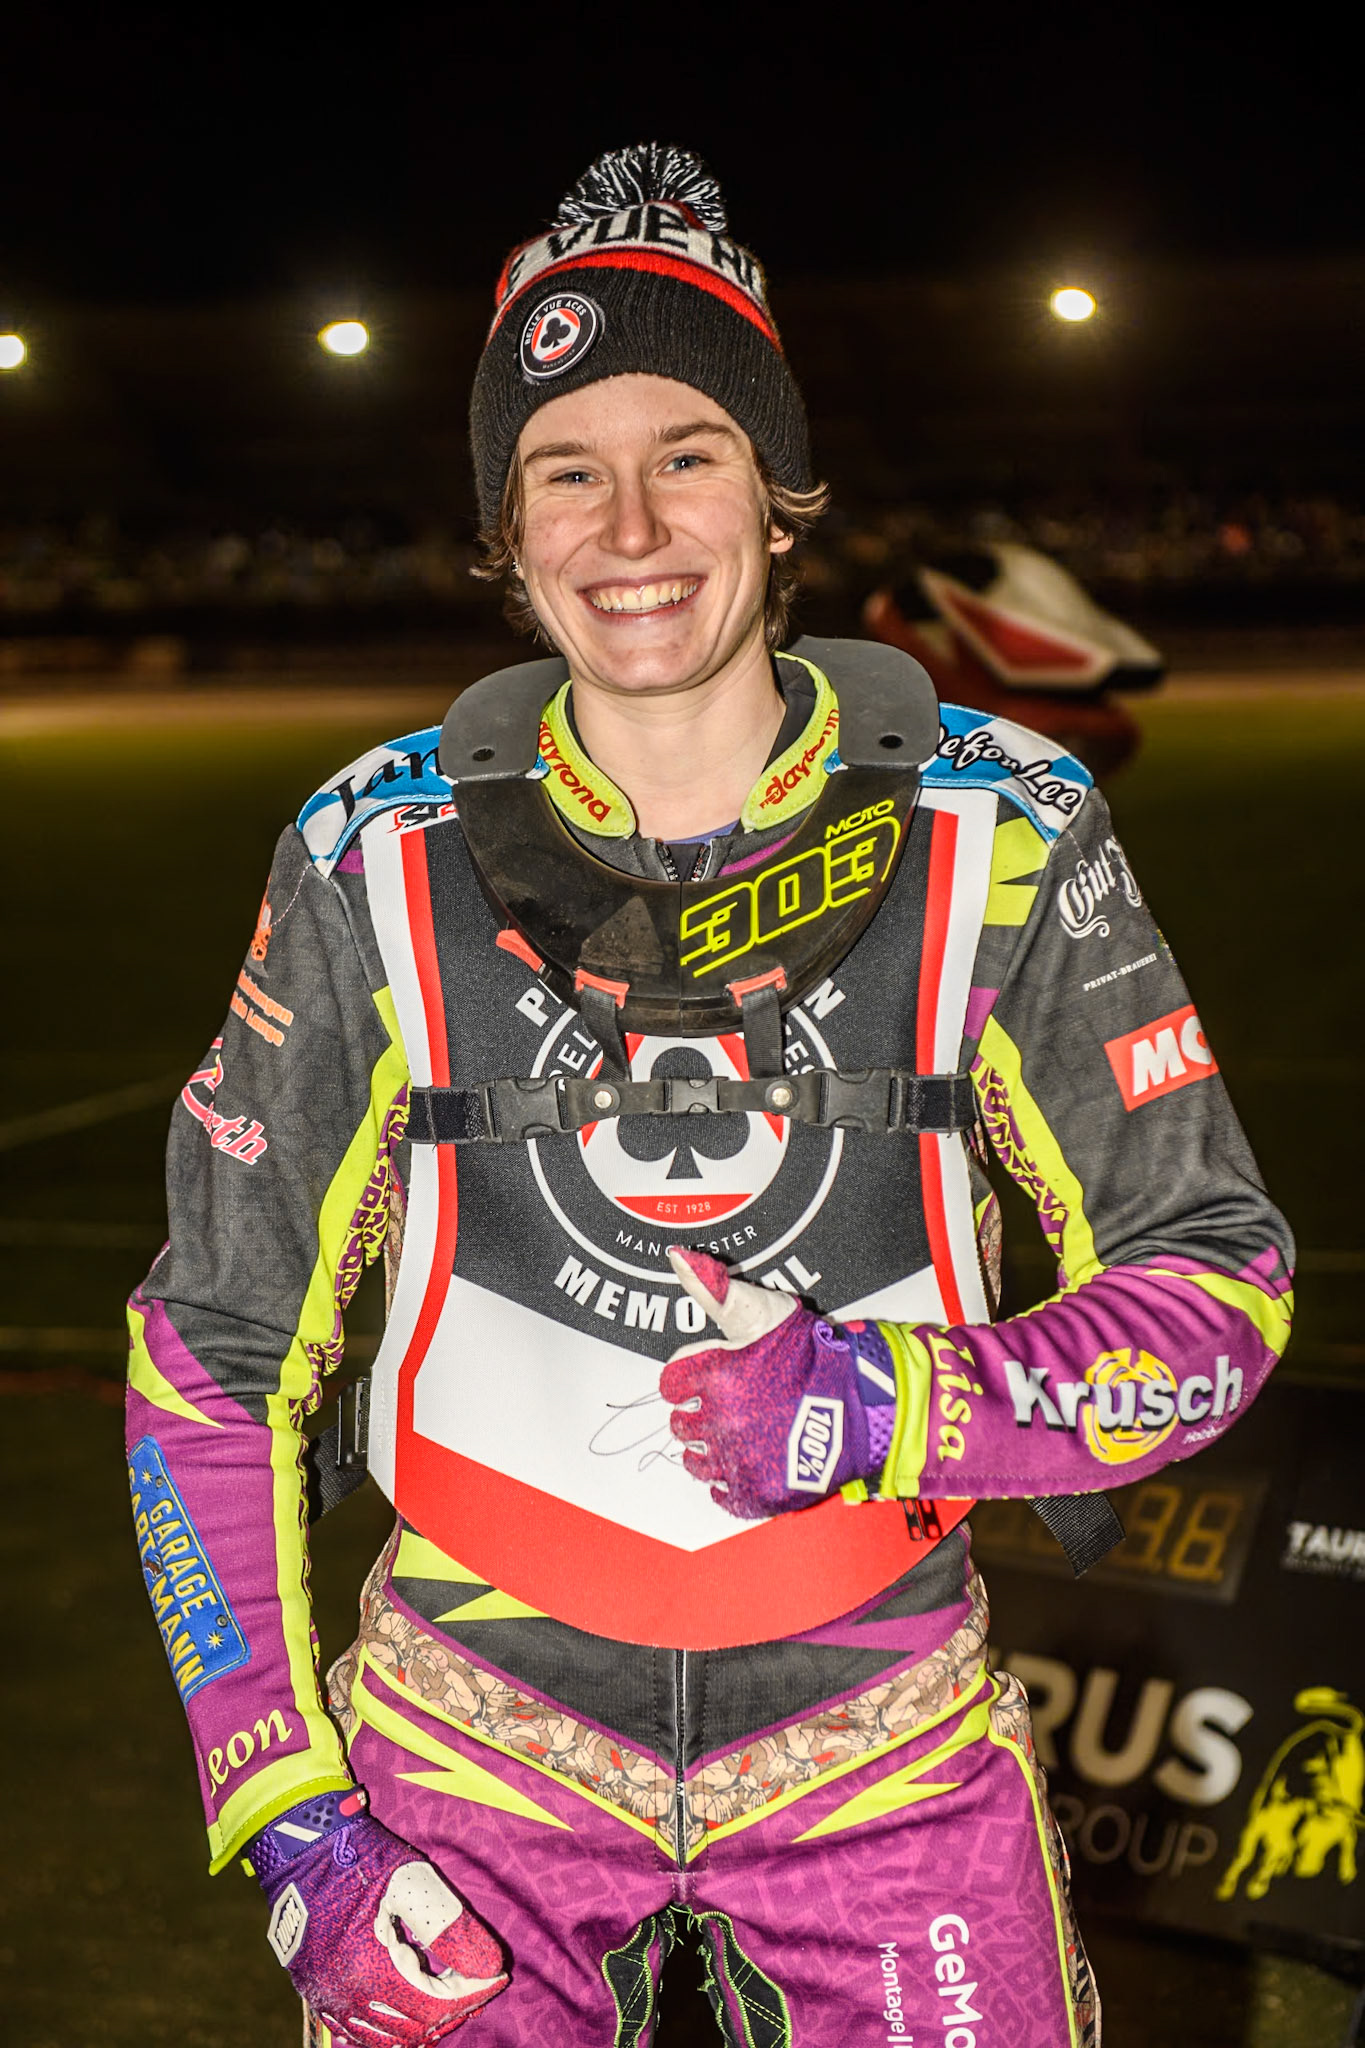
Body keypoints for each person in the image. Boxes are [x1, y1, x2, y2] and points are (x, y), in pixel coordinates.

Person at [126, 143, 1293, 2048]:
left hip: (887, 1747)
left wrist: (881, 1407)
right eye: (562, 471)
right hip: (468, 1761)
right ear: (506, 531)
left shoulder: (1002, 822)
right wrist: (291, 1826)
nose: (630, 524)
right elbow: (209, 1346)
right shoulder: (365, 850)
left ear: (778, 488)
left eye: (688, 450)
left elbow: (1216, 1283)